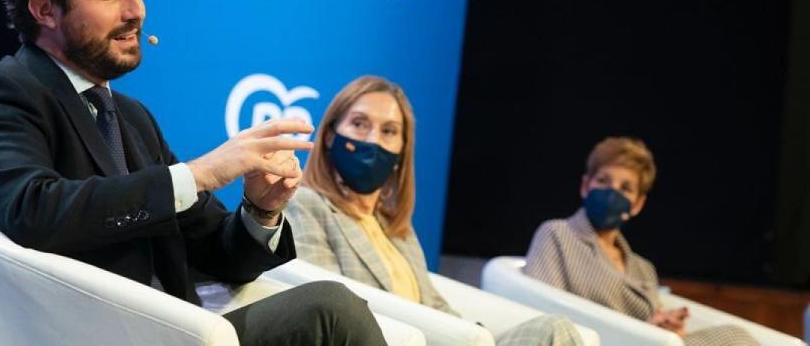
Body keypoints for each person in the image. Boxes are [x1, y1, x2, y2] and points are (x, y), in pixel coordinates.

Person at [0, 0, 386, 346]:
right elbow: (33, 212)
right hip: (85, 334)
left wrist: (261, 210)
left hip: (174, 330)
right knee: (330, 310)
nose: (136, 11)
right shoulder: (1, 91)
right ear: (45, 10)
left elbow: (220, 258)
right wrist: (199, 174)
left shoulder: (131, 118)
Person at [286, 75, 584, 346]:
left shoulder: (396, 228)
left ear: (401, 153)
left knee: (555, 329)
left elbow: (433, 304)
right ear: (330, 135)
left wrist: (476, 335)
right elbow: (329, 304)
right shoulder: (307, 203)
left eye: (389, 131)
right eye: (359, 124)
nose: (373, 140)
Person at [524, 137, 758, 345]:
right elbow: (542, 312)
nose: (612, 193)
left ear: (637, 204)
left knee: (736, 338)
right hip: (594, 342)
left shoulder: (643, 269)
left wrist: (666, 328)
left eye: (625, 188)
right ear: (585, 186)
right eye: (603, 181)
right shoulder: (557, 234)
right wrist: (639, 332)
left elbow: (654, 328)